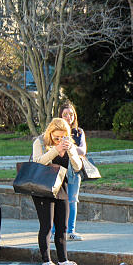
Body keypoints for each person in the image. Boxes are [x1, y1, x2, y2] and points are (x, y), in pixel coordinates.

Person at [32, 118, 85, 265]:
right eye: (56, 138)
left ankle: (63, 261)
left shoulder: (68, 143)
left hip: (61, 186)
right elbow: (38, 162)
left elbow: (77, 166)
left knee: (62, 226)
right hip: (42, 187)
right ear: (50, 133)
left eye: (63, 137)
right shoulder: (40, 142)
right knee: (47, 226)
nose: (60, 140)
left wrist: (69, 150)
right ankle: (46, 262)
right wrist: (56, 149)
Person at [59, 101, 87, 241]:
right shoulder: (55, 131)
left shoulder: (79, 132)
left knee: (72, 200)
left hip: (74, 170)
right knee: (56, 200)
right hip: (58, 170)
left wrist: (68, 146)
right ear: (60, 116)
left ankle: (71, 231)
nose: (68, 117)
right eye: (65, 114)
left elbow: (83, 150)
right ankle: (55, 232)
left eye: (71, 114)